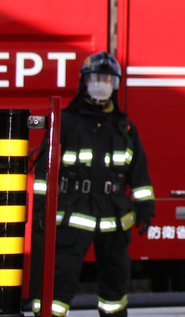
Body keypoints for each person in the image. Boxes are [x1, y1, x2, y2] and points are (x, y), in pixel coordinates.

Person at [29, 51, 154, 317]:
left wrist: (146, 208)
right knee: (57, 284)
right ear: (84, 82)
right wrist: (41, 209)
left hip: (115, 218)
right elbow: (44, 172)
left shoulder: (126, 129)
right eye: (97, 78)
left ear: (116, 85)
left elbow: (139, 174)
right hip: (73, 215)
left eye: (108, 80)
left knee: (115, 288)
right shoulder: (64, 123)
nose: (102, 84)